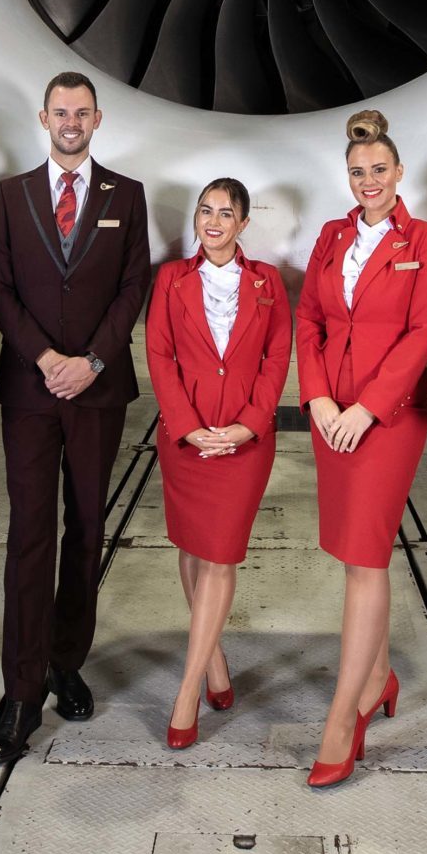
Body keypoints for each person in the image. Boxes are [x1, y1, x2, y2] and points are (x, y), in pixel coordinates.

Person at [0, 71, 152, 765]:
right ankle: (20, 689)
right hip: (30, 388)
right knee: (29, 536)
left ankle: (64, 660)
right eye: (61, 112)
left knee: (86, 529)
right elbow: (0, 284)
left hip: (98, 390)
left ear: (98, 118)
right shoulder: (12, 195)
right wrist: (48, 358)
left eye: (82, 112)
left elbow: (134, 283)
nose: (71, 121)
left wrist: (93, 363)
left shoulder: (126, 196)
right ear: (43, 118)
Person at [294, 108, 427, 788]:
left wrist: (365, 407)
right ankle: (379, 676)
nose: (368, 182)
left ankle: (343, 716)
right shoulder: (331, 236)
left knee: (364, 559)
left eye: (378, 171)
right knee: (359, 555)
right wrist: (321, 400)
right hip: (334, 420)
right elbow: (309, 320)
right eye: (357, 173)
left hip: (387, 420)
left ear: (399, 172)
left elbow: (421, 335)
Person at [143, 177, 291, 749]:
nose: (213, 221)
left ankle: (185, 693)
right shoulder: (171, 279)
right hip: (187, 439)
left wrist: (249, 424)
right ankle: (215, 661)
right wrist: (187, 428)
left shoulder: (268, 283)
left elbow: (278, 358)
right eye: (205, 211)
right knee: (191, 548)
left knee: (221, 556)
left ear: (243, 224)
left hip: (244, 444)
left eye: (225, 213)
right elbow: (158, 352)